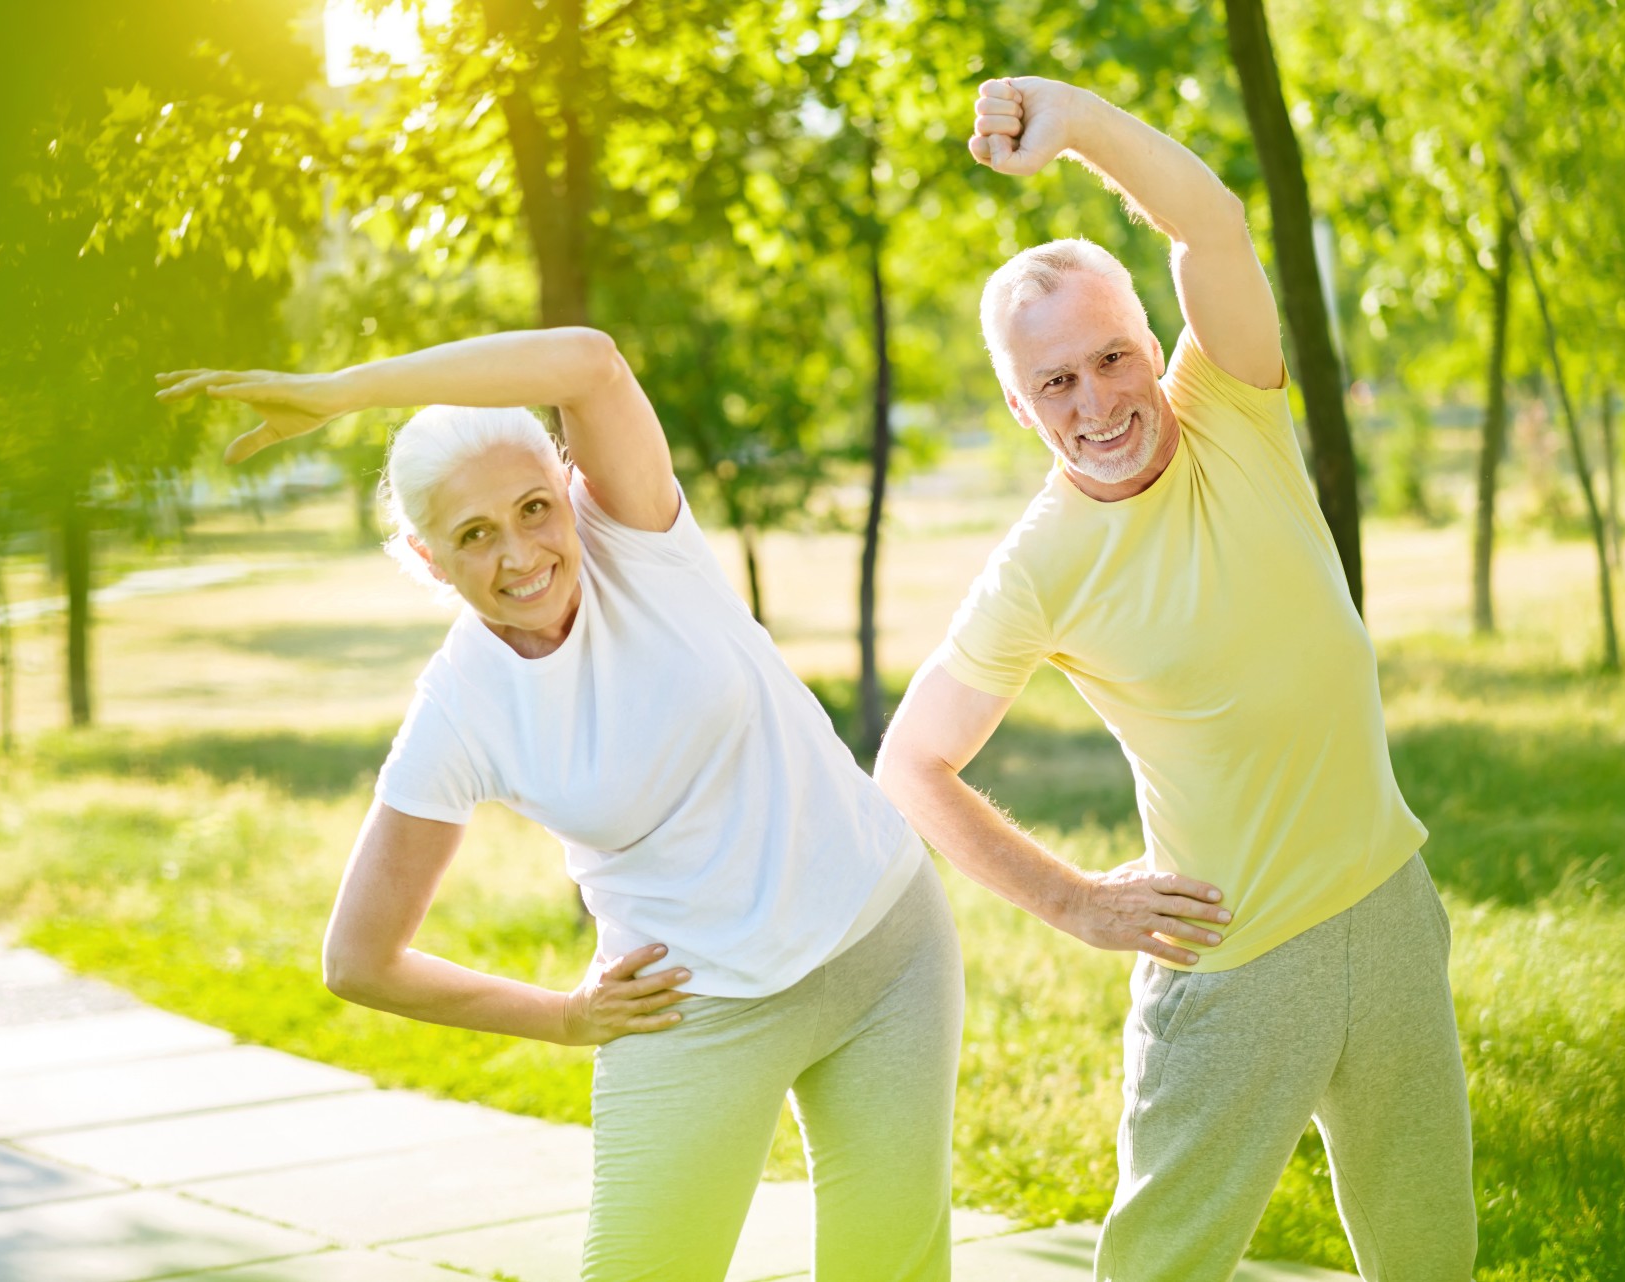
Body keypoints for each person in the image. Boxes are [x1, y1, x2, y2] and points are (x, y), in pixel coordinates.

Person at [154, 326, 963, 1282]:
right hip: (689, 1007)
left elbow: (588, 358)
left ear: (569, 487)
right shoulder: (459, 709)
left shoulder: (635, 531)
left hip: (884, 947)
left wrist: (342, 393)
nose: (522, 553)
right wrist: (563, 1018)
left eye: (535, 508)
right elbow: (358, 960)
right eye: (474, 534)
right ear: (427, 558)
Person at [873, 77, 1475, 1281]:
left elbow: (1211, 226)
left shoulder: (1227, 409)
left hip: (1390, 908)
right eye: (1056, 383)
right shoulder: (1037, 567)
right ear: (1016, 401)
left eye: (1111, 356)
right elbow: (911, 764)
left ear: (1155, 344)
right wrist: (1080, 905)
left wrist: (1077, 123)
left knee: (1431, 1258)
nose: (1098, 402)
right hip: (1238, 962)